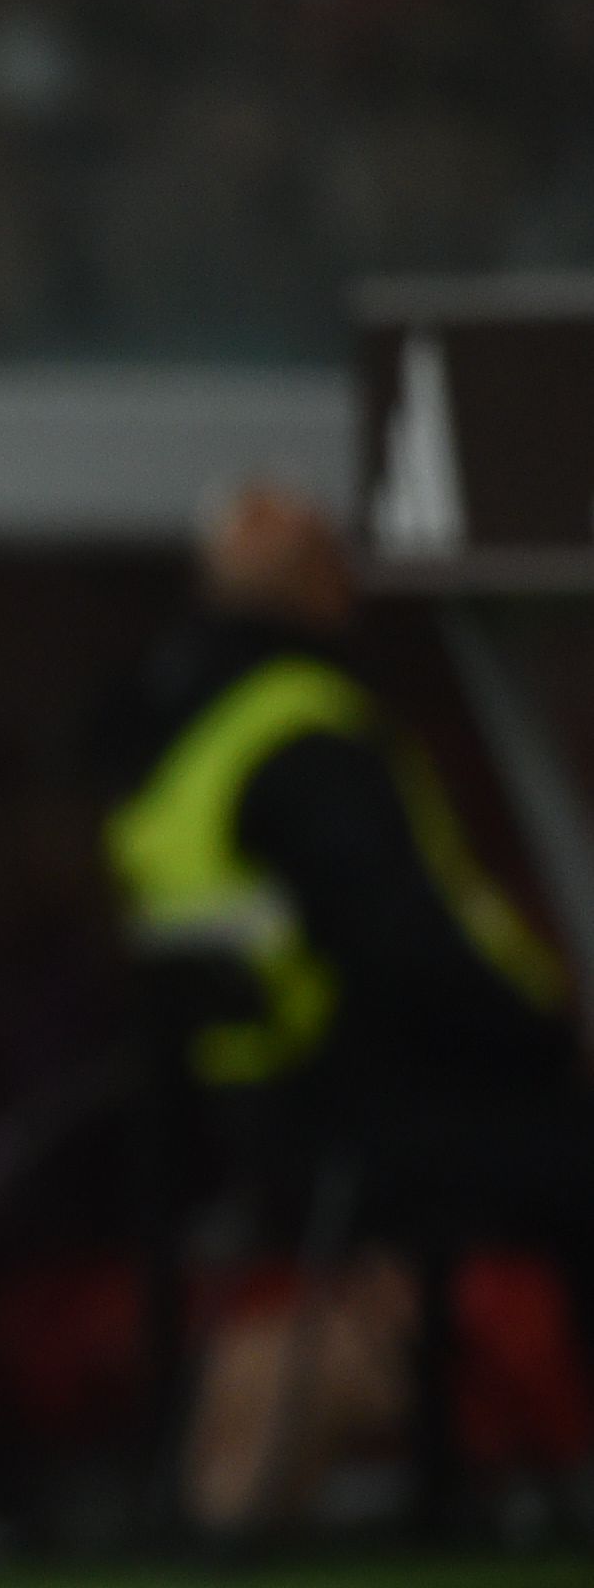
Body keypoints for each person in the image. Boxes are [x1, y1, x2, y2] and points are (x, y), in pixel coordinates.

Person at [101, 479, 592, 1520]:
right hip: (366, 1112)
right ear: (319, 582)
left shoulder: (173, 734)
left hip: (258, 1116)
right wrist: (548, 1038)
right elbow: (412, 948)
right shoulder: (305, 732)